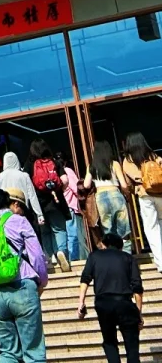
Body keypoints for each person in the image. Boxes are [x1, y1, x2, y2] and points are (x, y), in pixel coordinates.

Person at [0, 187, 48, 363]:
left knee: (8, 352)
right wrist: (42, 281)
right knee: (33, 352)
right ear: (13, 204)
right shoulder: (19, 221)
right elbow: (36, 255)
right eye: (21, 207)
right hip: (22, 286)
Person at [77, 230, 143, 363]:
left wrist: (81, 302)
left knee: (109, 341)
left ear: (103, 244)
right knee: (132, 343)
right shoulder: (128, 258)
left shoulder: (94, 256)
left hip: (103, 303)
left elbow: (85, 279)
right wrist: (139, 313)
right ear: (120, 247)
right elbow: (137, 287)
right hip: (125, 303)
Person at [120, 132, 162, 274]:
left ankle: (161, 262)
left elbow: (128, 183)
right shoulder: (153, 155)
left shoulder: (128, 160)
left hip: (145, 194)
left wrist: (134, 191)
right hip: (160, 193)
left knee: (152, 228)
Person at [28, 139, 71, 270]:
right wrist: (58, 189)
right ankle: (61, 252)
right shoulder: (55, 162)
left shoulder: (30, 164)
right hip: (55, 201)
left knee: (45, 232)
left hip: (39, 204)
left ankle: (50, 256)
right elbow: (65, 180)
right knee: (59, 229)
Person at [84, 141, 132, 242]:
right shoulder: (114, 164)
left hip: (100, 197)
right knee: (123, 229)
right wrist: (127, 195)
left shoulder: (91, 166)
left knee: (108, 230)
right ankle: (126, 250)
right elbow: (123, 185)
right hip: (115, 194)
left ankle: (112, 249)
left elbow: (86, 185)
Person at [0, 153, 44, 230]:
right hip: (22, 210)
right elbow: (32, 196)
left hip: (6, 212)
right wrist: (39, 214)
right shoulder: (24, 175)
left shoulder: (0, 177)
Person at [54, 151, 85, 262]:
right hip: (69, 207)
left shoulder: (54, 173)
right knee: (72, 235)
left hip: (59, 208)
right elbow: (76, 188)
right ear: (66, 161)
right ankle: (73, 259)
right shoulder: (67, 171)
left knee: (63, 235)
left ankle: (64, 258)